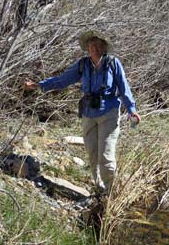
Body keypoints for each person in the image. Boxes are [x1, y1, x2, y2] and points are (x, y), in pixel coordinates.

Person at [24, 30, 141, 194]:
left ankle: (110, 192)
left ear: (103, 47)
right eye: (91, 44)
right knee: (92, 154)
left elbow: (124, 88)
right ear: (87, 47)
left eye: (98, 44)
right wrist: (39, 85)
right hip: (88, 113)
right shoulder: (82, 64)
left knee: (106, 156)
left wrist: (132, 110)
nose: (94, 47)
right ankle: (99, 189)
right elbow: (62, 80)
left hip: (109, 113)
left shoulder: (113, 63)